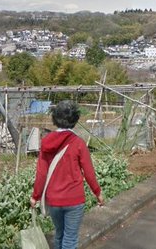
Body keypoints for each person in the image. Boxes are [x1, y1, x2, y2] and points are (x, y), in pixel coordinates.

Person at [30, 100, 104, 249]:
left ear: (55, 118)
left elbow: (41, 173)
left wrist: (35, 196)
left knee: (59, 235)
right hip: (74, 199)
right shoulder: (78, 143)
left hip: (54, 200)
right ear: (75, 119)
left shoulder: (46, 142)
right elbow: (89, 172)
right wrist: (97, 192)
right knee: (70, 239)